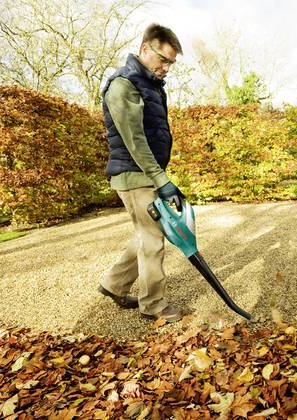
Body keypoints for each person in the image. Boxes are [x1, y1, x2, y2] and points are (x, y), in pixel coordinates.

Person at [98, 23, 185, 323]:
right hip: (134, 174)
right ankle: (154, 305)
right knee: (152, 239)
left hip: (144, 173)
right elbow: (134, 140)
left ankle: (113, 284)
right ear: (145, 49)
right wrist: (161, 180)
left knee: (146, 233)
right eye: (163, 59)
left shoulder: (149, 84)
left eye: (171, 62)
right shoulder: (124, 84)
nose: (167, 67)